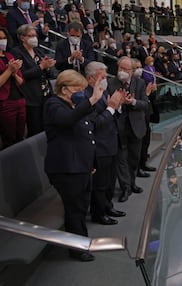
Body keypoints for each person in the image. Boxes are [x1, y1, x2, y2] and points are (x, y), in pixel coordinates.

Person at [44, 69, 108, 261]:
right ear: (64, 89)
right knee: (75, 209)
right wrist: (90, 100)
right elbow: (66, 122)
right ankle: (77, 248)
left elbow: (87, 135)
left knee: (81, 207)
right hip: (66, 169)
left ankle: (83, 241)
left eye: (83, 88)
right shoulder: (54, 104)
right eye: (77, 88)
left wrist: (92, 162)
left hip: (81, 166)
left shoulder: (74, 105)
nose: (81, 92)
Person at [84, 62, 126, 225]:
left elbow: (112, 113)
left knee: (110, 181)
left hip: (111, 143)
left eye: (105, 77)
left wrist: (118, 106)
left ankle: (108, 206)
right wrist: (111, 108)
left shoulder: (103, 91)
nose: (105, 80)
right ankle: (99, 213)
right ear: (90, 78)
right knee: (100, 184)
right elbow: (95, 123)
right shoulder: (88, 96)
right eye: (102, 77)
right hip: (100, 146)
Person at [108, 57, 149, 203]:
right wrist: (118, 103)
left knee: (134, 158)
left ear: (132, 71)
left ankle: (132, 183)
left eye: (126, 69)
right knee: (122, 159)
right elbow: (109, 105)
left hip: (136, 127)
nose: (123, 72)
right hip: (119, 128)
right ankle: (125, 187)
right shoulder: (111, 83)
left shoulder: (140, 83)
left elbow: (145, 104)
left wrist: (132, 102)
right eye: (121, 68)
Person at [0, 24, 25, 149]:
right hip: (4, 103)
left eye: (4, 37)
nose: (3, 40)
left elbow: (20, 81)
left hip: (19, 99)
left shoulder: (9, 56)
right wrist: (8, 71)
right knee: (9, 140)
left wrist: (13, 73)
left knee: (21, 137)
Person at [11, 24, 55, 137]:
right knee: (35, 129)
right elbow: (23, 75)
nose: (34, 38)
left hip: (46, 93)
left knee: (48, 125)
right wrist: (41, 67)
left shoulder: (38, 51)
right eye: (30, 35)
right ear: (22, 38)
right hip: (31, 96)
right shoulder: (16, 52)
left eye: (35, 35)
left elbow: (48, 73)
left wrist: (48, 66)